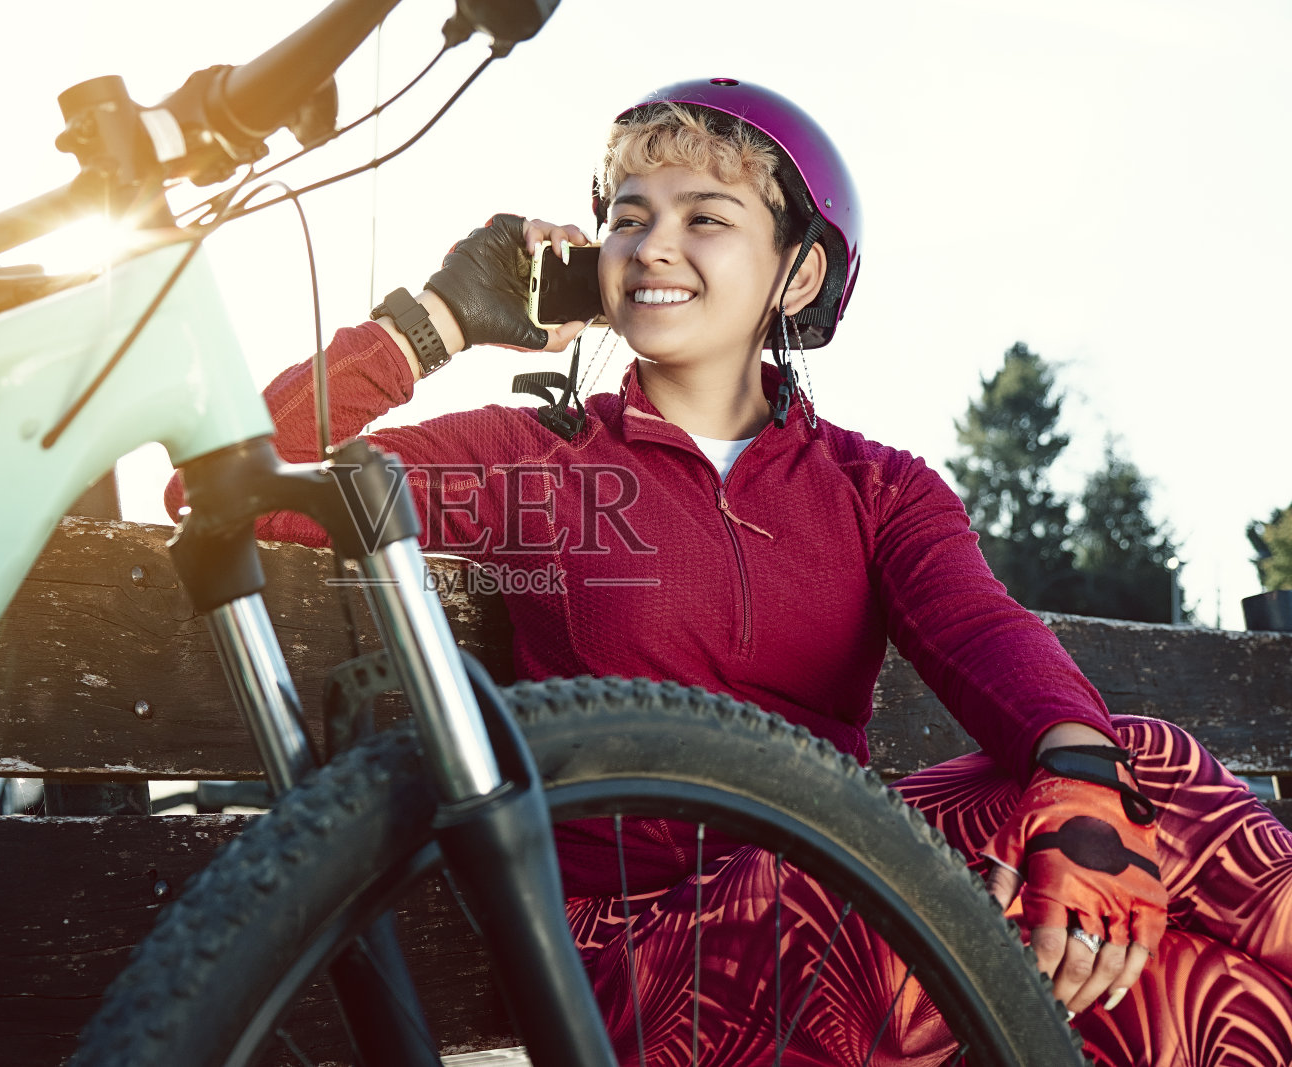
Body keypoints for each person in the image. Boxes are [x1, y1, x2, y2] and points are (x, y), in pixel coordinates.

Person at [168, 79, 1292, 1065]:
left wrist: (1085, 792)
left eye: (706, 218)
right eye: (626, 217)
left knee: (1181, 958)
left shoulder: (877, 488)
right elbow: (228, 488)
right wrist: (435, 320)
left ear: (797, 273)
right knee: (931, 882)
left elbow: (980, 631)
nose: (651, 245)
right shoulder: (541, 462)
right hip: (649, 966)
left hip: (850, 908)